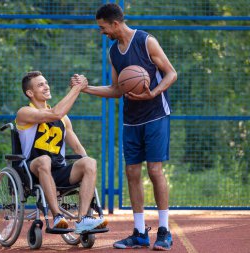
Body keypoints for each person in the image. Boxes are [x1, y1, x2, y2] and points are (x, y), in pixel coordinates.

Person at [74, 3, 178, 250]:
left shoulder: (146, 41)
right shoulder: (114, 52)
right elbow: (116, 89)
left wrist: (153, 92)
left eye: (103, 27)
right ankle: (140, 232)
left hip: (155, 115)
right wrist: (85, 88)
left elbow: (172, 73)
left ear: (115, 24)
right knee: (132, 173)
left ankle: (164, 231)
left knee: (154, 170)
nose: (102, 32)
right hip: (131, 118)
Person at [15, 71, 107, 234]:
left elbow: (78, 149)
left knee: (90, 162)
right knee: (44, 160)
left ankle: (83, 219)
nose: (46, 86)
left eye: (46, 83)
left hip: (58, 170)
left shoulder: (64, 119)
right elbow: (54, 113)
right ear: (30, 93)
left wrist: (88, 174)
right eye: (40, 85)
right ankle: (57, 216)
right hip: (32, 170)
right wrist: (77, 89)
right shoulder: (24, 112)